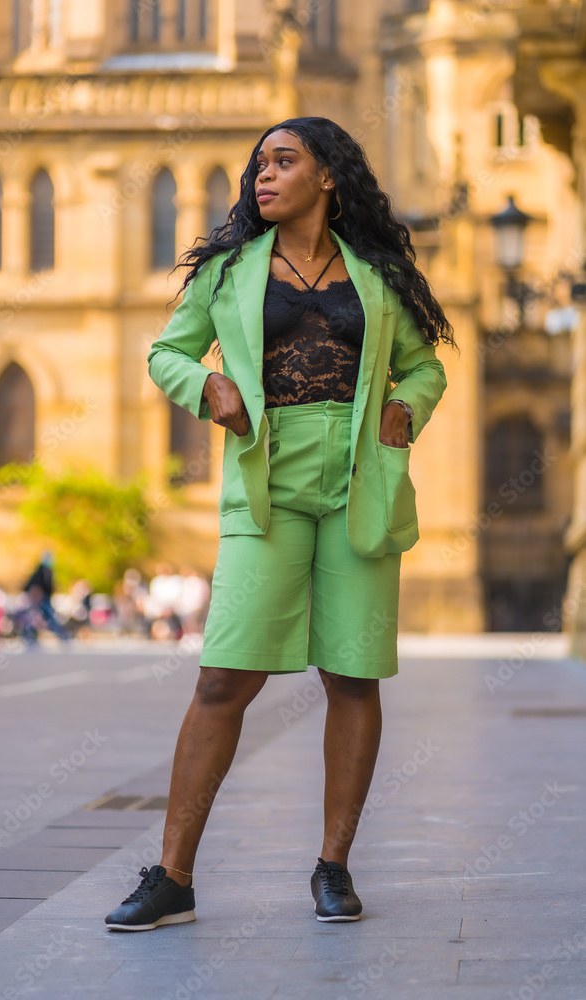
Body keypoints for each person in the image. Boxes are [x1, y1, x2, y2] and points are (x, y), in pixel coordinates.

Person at [105, 116, 453, 932]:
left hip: (361, 481)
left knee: (351, 675)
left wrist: (407, 406)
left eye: (283, 162)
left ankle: (333, 867)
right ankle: (173, 877)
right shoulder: (228, 271)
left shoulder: (376, 271)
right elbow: (167, 352)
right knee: (224, 677)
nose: (263, 175)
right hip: (266, 481)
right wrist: (206, 388)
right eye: (258, 164)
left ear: (327, 176)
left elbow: (424, 363)